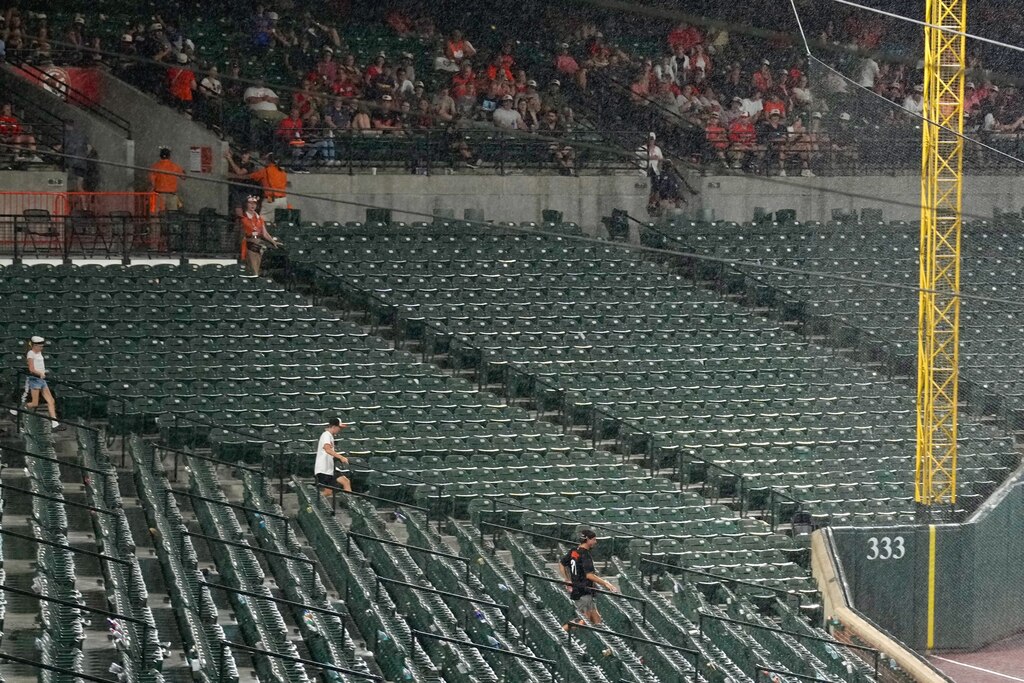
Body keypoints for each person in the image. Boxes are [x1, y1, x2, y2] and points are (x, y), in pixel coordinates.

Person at [559, 529, 616, 632]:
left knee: (597, 619)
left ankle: (606, 647)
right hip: (582, 591)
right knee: (584, 621)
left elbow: (562, 564)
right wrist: (606, 583)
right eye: (594, 539)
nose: (595, 542)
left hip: (583, 590)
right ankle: (561, 632)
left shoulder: (574, 551)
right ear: (587, 540)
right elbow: (589, 575)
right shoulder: (585, 555)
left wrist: (567, 579)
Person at [226, 151, 288, 221]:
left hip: (271, 199)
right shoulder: (282, 172)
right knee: (278, 221)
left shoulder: (265, 171)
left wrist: (232, 175)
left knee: (262, 220)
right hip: (283, 200)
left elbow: (248, 177)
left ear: (268, 161)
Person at [23, 336, 64, 431]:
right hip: (35, 379)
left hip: (42, 380)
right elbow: (31, 369)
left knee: (51, 400)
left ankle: (55, 424)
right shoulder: (30, 354)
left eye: (42, 346)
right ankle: (17, 410)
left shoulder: (39, 353)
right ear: (34, 345)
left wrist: (43, 373)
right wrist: (40, 373)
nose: (41, 348)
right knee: (34, 403)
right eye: (40, 346)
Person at [239, 194, 281, 275]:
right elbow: (241, 235)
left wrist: (273, 242)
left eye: (254, 203)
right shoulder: (243, 218)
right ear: (246, 204)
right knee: (253, 268)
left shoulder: (259, 218)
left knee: (257, 267)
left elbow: (265, 233)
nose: (252, 205)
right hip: (249, 244)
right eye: (250, 203)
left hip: (258, 244)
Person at [315, 417, 350, 496]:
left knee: (346, 481)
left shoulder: (330, 436)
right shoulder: (326, 435)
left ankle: (351, 504)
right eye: (339, 427)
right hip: (324, 469)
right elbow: (327, 449)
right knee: (328, 492)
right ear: (334, 427)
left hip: (331, 468)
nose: (340, 430)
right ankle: (312, 503)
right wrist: (341, 457)